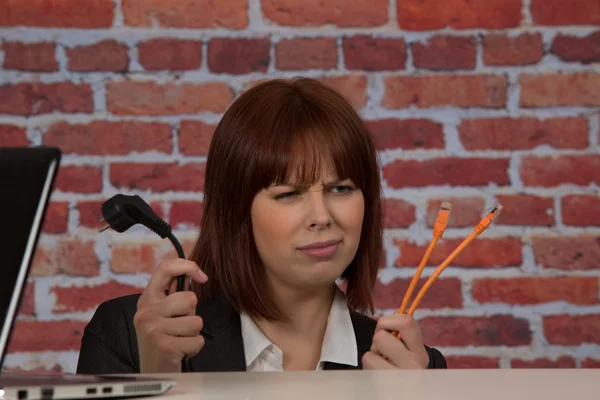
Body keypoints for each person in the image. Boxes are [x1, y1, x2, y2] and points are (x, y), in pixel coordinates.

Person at [76, 77, 447, 374]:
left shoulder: (409, 366)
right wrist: (158, 376)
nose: (322, 216)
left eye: (341, 188)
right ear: (235, 208)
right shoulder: (129, 334)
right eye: (288, 193)